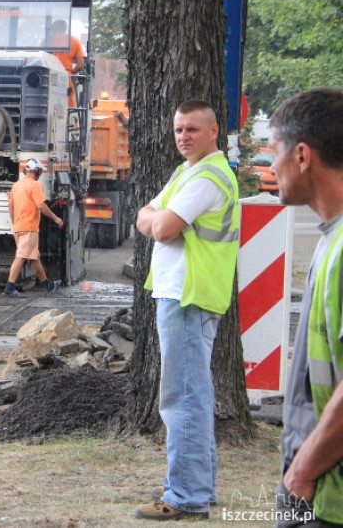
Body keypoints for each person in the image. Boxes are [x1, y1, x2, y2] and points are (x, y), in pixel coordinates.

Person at [134, 100, 240, 521]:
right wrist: (157, 219)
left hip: (189, 296)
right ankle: (199, 486)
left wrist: (158, 220)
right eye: (179, 130)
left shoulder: (207, 176)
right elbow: (144, 216)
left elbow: (158, 226)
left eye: (192, 130)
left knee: (183, 397)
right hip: (186, 295)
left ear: (214, 131)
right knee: (192, 393)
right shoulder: (187, 172)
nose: (183, 137)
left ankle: (186, 496)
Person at [269, 88, 343, 527]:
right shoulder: (331, 238)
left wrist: (302, 472)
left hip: (326, 495)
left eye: (273, 151)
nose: (270, 165)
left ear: (302, 155)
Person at [3, 158, 63, 297]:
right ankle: (9, 287)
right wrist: (56, 218)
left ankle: (48, 285)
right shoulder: (35, 186)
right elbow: (41, 206)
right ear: (37, 171)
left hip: (19, 226)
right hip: (29, 227)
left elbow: (11, 206)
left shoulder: (16, 185)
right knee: (21, 256)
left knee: (34, 257)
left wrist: (15, 222)